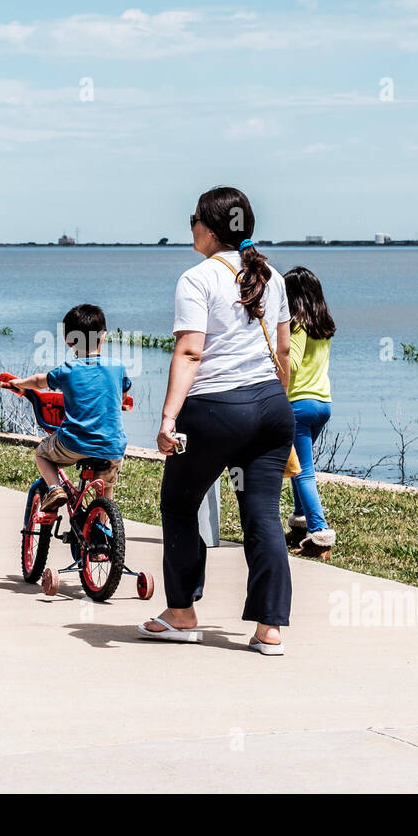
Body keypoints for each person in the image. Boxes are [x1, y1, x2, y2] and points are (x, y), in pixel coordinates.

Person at [141, 186, 296, 655]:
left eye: (192, 219)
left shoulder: (196, 278)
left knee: (180, 506)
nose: (189, 227)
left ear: (208, 228)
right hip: (271, 406)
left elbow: (190, 350)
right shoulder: (273, 277)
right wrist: (275, 405)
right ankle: (269, 630)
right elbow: (284, 351)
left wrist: (168, 418)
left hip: (215, 411)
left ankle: (183, 614)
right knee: (263, 515)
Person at [7, 304, 131, 509]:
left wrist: (19, 384)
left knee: (42, 453)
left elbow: (39, 381)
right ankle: (104, 530)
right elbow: (123, 394)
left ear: (68, 341)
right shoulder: (118, 367)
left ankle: (55, 488)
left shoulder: (68, 370)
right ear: (104, 336)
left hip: (73, 443)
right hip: (112, 446)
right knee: (105, 488)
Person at [283, 266, 336, 550]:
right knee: (296, 465)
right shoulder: (323, 324)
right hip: (322, 404)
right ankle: (300, 523)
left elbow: (291, 363)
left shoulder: (298, 324)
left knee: (302, 471)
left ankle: (319, 533)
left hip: (298, 406)